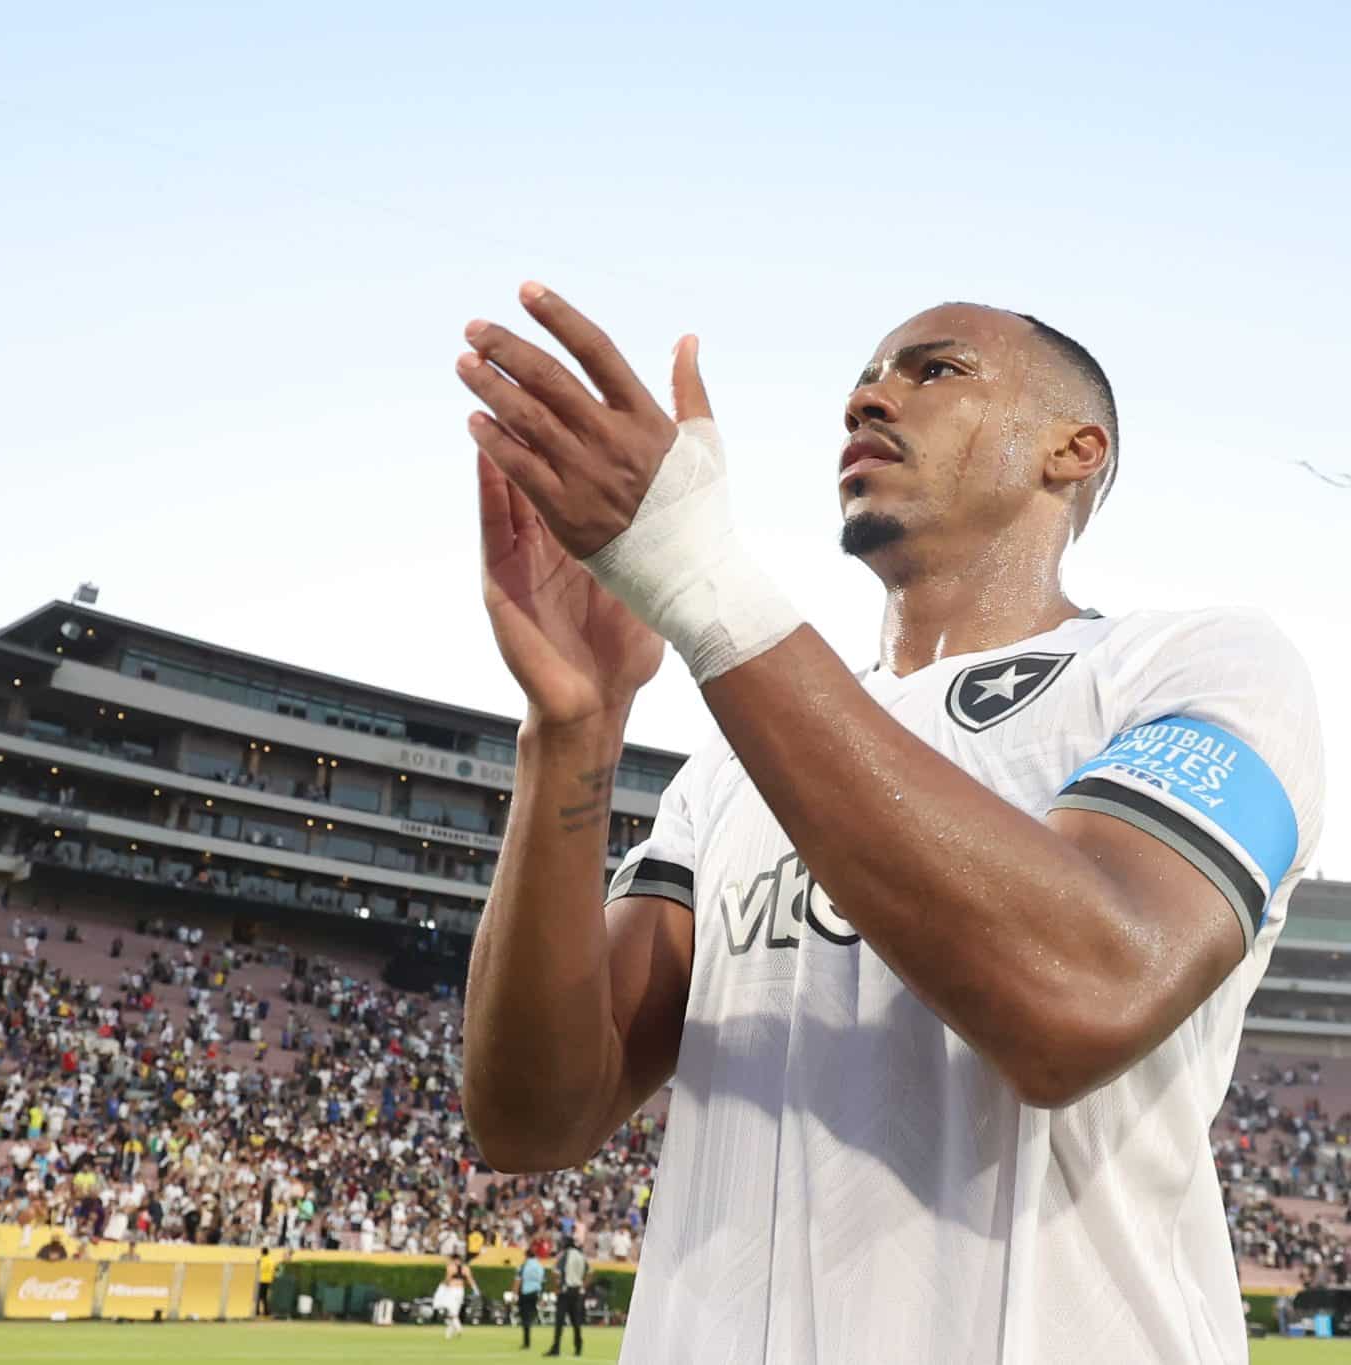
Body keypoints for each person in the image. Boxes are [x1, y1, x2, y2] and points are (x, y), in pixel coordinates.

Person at [456, 287, 1326, 1364]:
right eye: (862, 378)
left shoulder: (1194, 666)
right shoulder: (732, 762)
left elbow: (1082, 998)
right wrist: (569, 727)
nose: (869, 397)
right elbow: (530, 1120)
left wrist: (699, 583)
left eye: (933, 370)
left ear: (1073, 448)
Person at [543, 1239, 587, 1358]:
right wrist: (583, 1284)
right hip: (577, 1291)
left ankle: (556, 1348)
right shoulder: (581, 1256)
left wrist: (556, 1286)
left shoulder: (565, 1255)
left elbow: (555, 1272)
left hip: (565, 1291)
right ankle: (578, 1347)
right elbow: (590, 1271)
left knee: (559, 1321)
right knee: (576, 1321)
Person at [432, 1252, 470, 1340]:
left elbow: (448, 1278)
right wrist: (475, 1289)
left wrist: (442, 1286)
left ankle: (459, 1328)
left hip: (452, 1290)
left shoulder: (451, 1267)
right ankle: (448, 1335)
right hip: (461, 1291)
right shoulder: (465, 1268)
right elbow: (469, 1280)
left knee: (452, 1313)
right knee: (453, 1313)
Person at [515, 1247, 546, 1351]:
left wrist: (514, 1293)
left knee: (525, 1317)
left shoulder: (524, 1266)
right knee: (530, 1313)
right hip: (536, 1293)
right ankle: (533, 1316)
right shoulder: (539, 1266)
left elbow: (518, 1280)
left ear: (526, 1255)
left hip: (525, 1293)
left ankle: (526, 1342)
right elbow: (542, 1281)